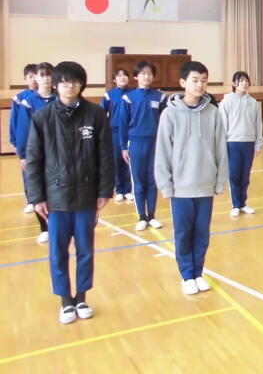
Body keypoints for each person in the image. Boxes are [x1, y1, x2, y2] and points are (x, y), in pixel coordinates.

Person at [24, 61, 114, 324]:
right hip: (56, 198)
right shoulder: (42, 118)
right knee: (58, 253)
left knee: (85, 250)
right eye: (63, 81)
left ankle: (82, 297)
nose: (69, 86)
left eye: (74, 81)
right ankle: (65, 300)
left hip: (86, 196)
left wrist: (104, 191)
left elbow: (105, 157)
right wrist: (37, 197)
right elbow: (34, 161)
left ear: (81, 84)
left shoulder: (96, 115)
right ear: (55, 84)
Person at [155, 61, 228, 295]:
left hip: (205, 185)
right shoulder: (170, 114)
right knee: (183, 233)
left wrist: (220, 180)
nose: (199, 85)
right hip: (181, 188)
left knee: (202, 234)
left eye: (204, 80)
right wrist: (166, 185)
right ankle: (187, 275)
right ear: (183, 83)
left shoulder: (213, 113)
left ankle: (198, 272)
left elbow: (220, 148)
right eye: (195, 80)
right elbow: (163, 151)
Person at [121, 60, 168, 231]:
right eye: (143, 73)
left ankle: (152, 215)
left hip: (155, 143)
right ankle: (142, 216)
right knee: (138, 182)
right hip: (136, 144)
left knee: (152, 180)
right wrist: (123, 147)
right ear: (136, 76)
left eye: (149, 73)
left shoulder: (160, 97)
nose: (147, 76)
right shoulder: (128, 98)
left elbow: (165, 122)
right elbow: (123, 124)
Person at [15, 62, 57, 242]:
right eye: (42, 75)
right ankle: (44, 227)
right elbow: (23, 130)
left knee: (57, 190)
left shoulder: (60, 99)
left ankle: (57, 226)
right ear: (36, 78)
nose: (46, 79)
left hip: (58, 153)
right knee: (40, 189)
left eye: (49, 75)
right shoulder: (29, 102)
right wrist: (23, 155)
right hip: (37, 153)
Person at [219, 71, 263, 217]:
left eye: (246, 80)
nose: (245, 83)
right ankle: (235, 204)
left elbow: (258, 124)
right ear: (234, 84)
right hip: (232, 143)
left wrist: (259, 144)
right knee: (234, 175)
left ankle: (243, 203)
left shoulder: (253, 103)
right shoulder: (226, 102)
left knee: (245, 176)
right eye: (241, 80)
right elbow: (222, 126)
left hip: (248, 143)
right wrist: (222, 146)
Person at [100, 68, 133, 202]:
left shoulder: (133, 94)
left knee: (128, 160)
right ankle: (119, 189)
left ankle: (128, 189)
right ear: (114, 80)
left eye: (125, 75)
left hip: (130, 132)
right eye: (119, 76)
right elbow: (101, 113)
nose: (122, 78)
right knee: (117, 160)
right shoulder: (109, 95)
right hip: (114, 131)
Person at [9, 64, 38, 213]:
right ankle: (31, 199)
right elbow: (15, 122)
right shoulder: (20, 98)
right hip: (27, 142)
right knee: (28, 171)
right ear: (25, 79)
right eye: (30, 77)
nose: (33, 80)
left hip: (43, 142)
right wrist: (15, 142)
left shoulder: (48, 97)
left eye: (35, 76)